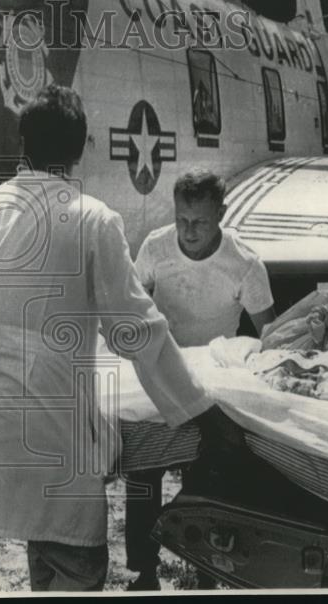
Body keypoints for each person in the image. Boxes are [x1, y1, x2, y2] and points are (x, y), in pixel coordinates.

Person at [0, 85, 213, 592]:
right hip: (52, 428)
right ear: (80, 150)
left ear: (21, 145)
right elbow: (135, 328)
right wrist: (195, 407)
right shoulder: (93, 219)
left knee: (42, 547)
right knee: (75, 556)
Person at [124, 170, 276, 591]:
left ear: (222, 214)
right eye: (181, 220)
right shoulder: (155, 247)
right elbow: (134, 311)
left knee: (214, 476)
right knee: (142, 469)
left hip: (213, 384)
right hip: (159, 377)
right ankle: (144, 571)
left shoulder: (245, 263)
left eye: (200, 222)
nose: (188, 232)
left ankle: (208, 573)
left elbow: (271, 334)